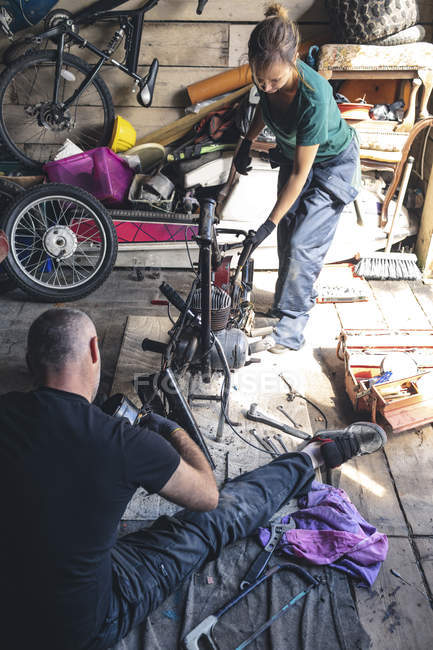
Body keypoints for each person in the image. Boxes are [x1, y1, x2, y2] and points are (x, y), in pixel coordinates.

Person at [0, 308, 386, 650]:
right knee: (204, 527)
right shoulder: (123, 442)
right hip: (81, 627)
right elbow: (207, 496)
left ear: (31, 360)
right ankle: (312, 457)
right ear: (95, 351)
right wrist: (170, 432)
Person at [234, 4, 360, 353]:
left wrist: (266, 224)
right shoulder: (267, 78)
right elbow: (265, 104)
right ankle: (285, 306)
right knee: (288, 235)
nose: (267, 86)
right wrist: (246, 142)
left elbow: (304, 174)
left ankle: (290, 331)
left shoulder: (313, 95)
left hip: (332, 164)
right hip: (297, 157)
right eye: (261, 79)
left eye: (275, 79)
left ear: (294, 61)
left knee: (304, 242)